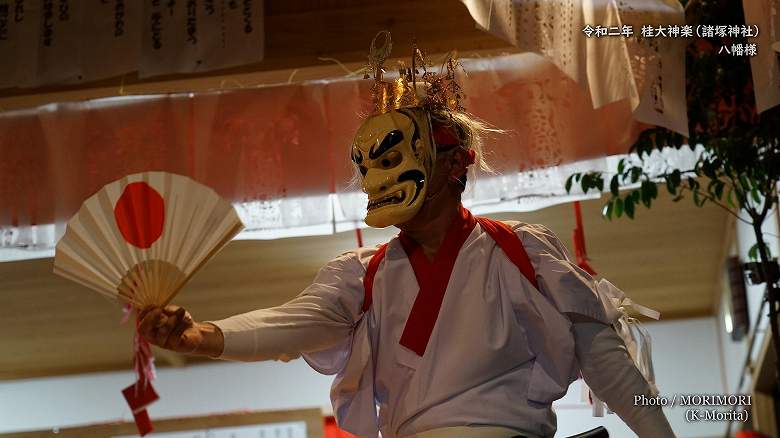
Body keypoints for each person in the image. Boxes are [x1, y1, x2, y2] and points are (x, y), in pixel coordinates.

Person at [139, 35, 676, 438]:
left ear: (453, 166)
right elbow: (290, 324)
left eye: (395, 158)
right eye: (368, 165)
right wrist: (198, 337)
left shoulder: (520, 250)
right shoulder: (359, 276)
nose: (377, 178)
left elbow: (604, 361)